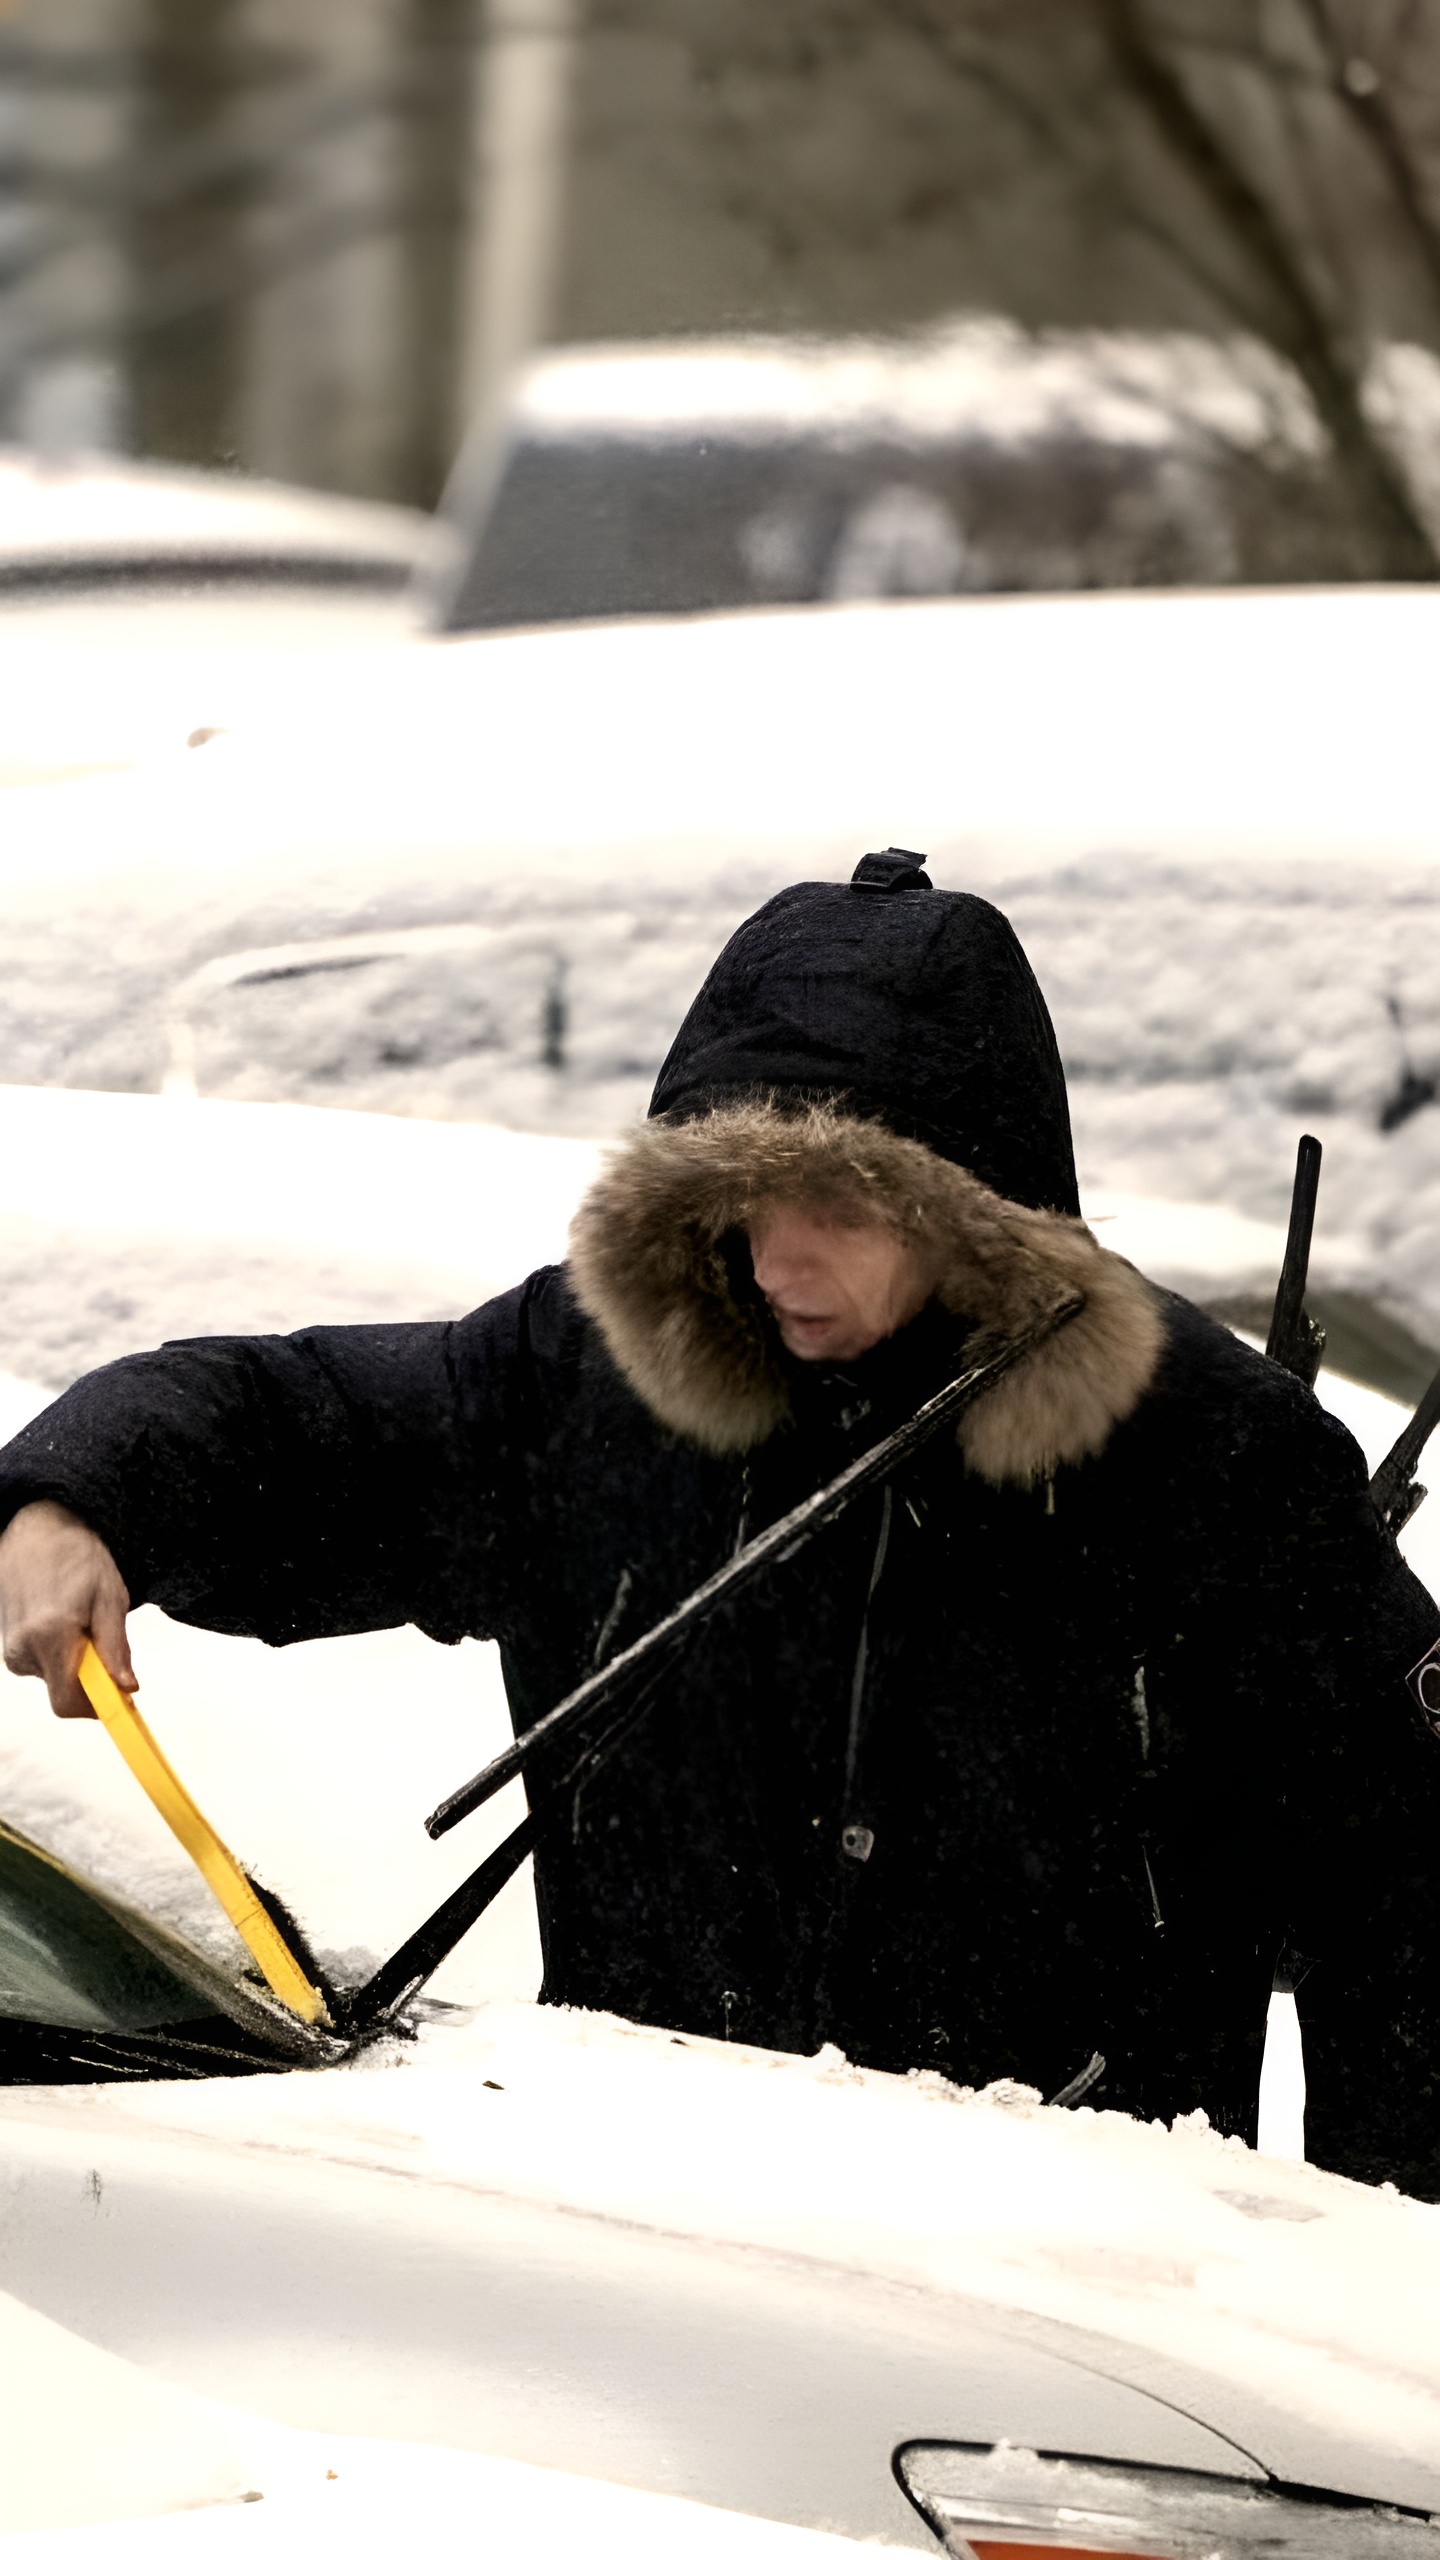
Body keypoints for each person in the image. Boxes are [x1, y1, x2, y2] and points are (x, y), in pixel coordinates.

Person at [2, 848, 1438, 2188]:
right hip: (664, 2212)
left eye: (841, 1202)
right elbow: (297, 1424)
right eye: (740, 1196)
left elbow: (1410, 1903)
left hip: (1075, 2277)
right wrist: (76, 1495)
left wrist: (1374, 2298)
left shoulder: (1208, 1461)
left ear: (976, 1213)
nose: (779, 1254)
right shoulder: (596, 1389)